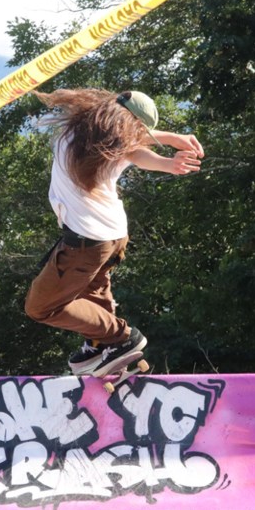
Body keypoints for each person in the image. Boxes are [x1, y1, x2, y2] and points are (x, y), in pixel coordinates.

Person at [24, 88, 204, 376]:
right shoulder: (108, 140)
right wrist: (168, 145)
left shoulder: (85, 132)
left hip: (87, 244)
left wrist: (167, 158)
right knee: (93, 296)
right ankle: (101, 344)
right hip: (112, 237)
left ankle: (122, 338)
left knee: (41, 306)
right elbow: (136, 147)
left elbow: (137, 150)